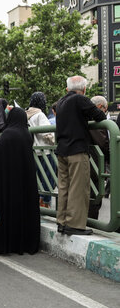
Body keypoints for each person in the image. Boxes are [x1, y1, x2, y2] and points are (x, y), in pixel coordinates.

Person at [0, 107, 40, 255]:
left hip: (7, 183)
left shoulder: (7, 135)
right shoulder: (27, 135)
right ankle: (23, 243)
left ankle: (8, 243)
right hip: (24, 182)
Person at [55, 76, 106, 235]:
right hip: (77, 150)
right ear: (84, 90)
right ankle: (75, 225)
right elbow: (100, 116)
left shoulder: (61, 102)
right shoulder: (80, 100)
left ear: (67, 89)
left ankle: (62, 222)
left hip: (62, 150)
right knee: (78, 188)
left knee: (64, 187)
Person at [26, 92, 55, 208]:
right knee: (48, 178)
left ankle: (37, 201)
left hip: (33, 151)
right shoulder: (40, 115)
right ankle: (45, 202)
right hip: (45, 151)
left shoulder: (26, 114)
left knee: (36, 179)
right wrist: (54, 140)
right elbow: (47, 133)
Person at [87, 96, 110, 220]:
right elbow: (103, 143)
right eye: (105, 109)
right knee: (94, 197)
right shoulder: (96, 121)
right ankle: (91, 223)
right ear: (101, 107)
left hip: (89, 161)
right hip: (94, 163)